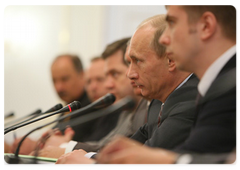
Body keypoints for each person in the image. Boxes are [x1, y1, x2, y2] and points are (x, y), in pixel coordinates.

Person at [95, 3, 237, 165]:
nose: (164, 39)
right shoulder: (220, 85)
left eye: (172, 23)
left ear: (206, 26)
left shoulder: (229, 87)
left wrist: (167, 160)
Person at [55, 14, 199, 165]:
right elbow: (127, 150)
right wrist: (85, 158)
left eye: (138, 61)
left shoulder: (191, 100)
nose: (130, 74)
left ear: (171, 60)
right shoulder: (158, 102)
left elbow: (143, 159)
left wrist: (88, 162)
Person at [33, 38, 148, 158]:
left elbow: (117, 153)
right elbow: (104, 146)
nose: (108, 85)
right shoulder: (128, 108)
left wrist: (65, 147)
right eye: (89, 81)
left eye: (114, 74)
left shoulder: (129, 107)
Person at [10, 54, 91, 154]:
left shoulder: (94, 106)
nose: (59, 87)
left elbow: (94, 147)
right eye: (54, 80)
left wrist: (35, 146)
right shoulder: (67, 109)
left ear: (82, 75)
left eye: (64, 79)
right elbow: (51, 140)